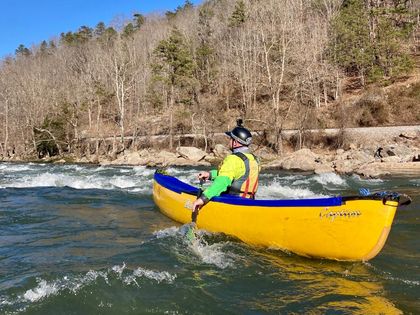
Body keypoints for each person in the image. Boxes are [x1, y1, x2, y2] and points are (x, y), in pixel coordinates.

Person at [192, 120, 260, 212]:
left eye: (231, 139)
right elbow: (238, 174)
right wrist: (210, 175)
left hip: (233, 204)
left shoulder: (233, 159)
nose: (229, 141)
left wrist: (203, 199)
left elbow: (222, 182)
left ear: (235, 143)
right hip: (250, 202)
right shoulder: (254, 159)